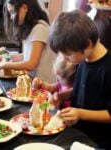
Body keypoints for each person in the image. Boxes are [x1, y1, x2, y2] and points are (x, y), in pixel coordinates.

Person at [49, 9, 111, 149]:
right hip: (78, 133)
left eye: (68, 54)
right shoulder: (83, 60)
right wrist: (62, 96)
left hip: (98, 141)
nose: (65, 59)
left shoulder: (107, 68)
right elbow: (85, 90)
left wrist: (80, 113)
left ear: (87, 44)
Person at [0, 0, 56, 83]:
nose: (11, 17)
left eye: (12, 12)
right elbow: (26, 56)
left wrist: (5, 65)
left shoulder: (40, 28)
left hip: (43, 84)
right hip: (34, 81)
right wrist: (7, 57)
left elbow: (31, 64)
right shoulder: (33, 28)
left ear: (24, 8)